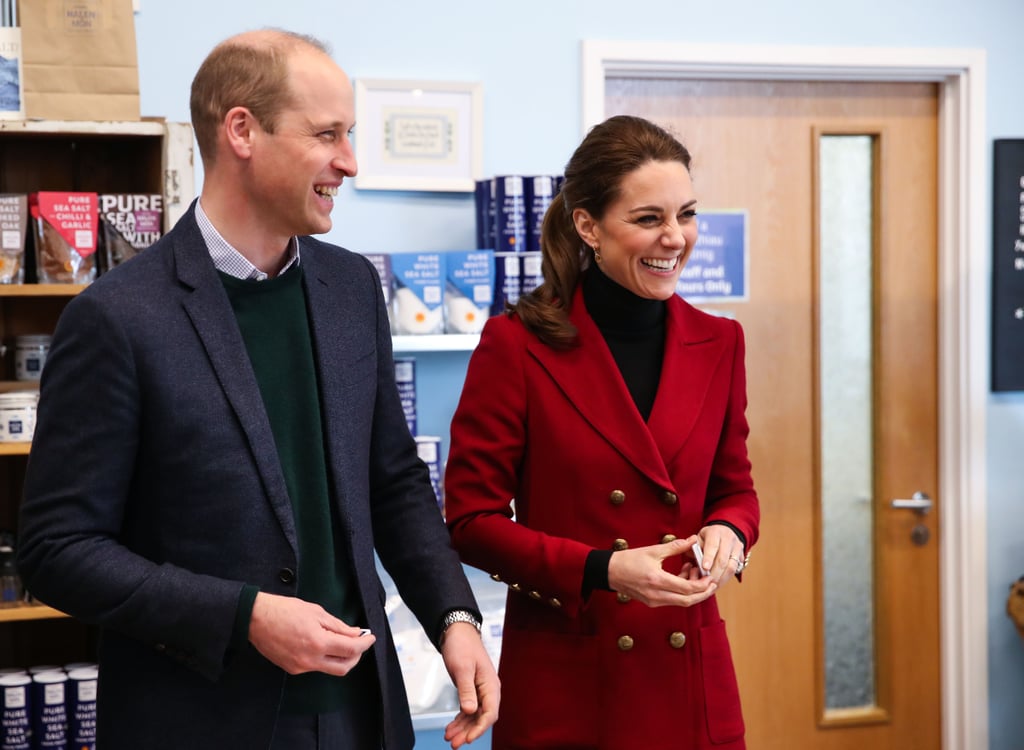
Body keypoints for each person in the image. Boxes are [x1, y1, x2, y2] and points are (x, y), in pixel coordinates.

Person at [16, 29, 498, 750]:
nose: (350, 162)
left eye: (352, 135)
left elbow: (393, 482)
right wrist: (243, 615)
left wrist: (453, 618)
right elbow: (58, 550)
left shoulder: (351, 288)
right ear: (241, 130)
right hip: (196, 721)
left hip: (360, 713)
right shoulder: (115, 318)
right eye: (328, 134)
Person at [444, 114, 759, 749]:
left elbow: (736, 490)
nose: (675, 238)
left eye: (687, 214)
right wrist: (602, 570)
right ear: (588, 225)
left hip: (688, 680)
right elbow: (470, 522)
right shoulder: (518, 346)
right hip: (573, 684)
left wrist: (730, 531)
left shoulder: (721, 341)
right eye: (648, 219)